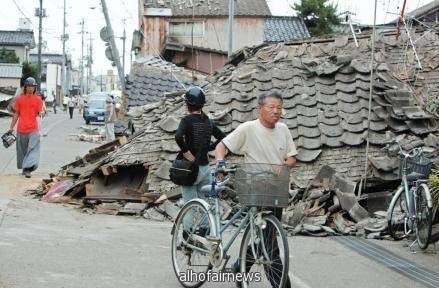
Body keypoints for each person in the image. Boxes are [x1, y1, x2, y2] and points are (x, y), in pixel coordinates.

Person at [215, 91, 297, 288]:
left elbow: (292, 157)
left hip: (276, 189)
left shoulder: (284, 129)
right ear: (260, 108)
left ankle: (238, 266)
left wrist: (284, 164)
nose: (276, 111)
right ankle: (281, 285)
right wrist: (220, 163)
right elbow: (221, 146)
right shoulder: (248, 128)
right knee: (269, 242)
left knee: (265, 236)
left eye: (279, 108)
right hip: (255, 188)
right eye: (271, 107)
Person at [175, 86, 225, 221]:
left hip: (189, 169)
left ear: (188, 104)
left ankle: (187, 236)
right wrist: (209, 148)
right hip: (205, 168)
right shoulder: (208, 121)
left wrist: (186, 152)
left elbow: (178, 137)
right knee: (205, 205)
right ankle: (205, 233)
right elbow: (223, 137)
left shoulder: (186, 120)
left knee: (189, 205)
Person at [8, 77, 43, 178]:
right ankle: (25, 168)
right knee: (22, 150)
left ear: (35, 88)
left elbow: (38, 115)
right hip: (21, 129)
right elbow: (16, 114)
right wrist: (11, 127)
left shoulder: (38, 100)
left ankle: (29, 168)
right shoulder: (19, 99)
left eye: (33, 86)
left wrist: (40, 129)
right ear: (25, 87)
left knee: (32, 149)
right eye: (29, 86)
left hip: (33, 129)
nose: (31, 88)